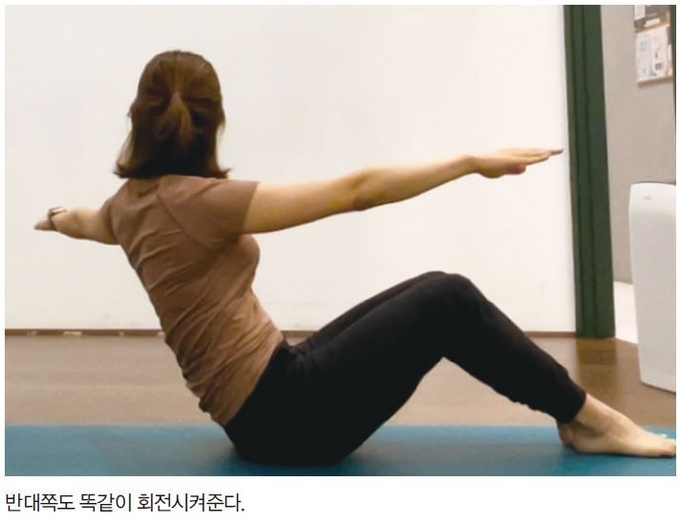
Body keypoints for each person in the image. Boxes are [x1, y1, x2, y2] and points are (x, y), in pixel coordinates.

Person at [35, 50, 675, 466]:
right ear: (213, 123)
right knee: (449, 299)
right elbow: (356, 192)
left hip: (268, 399)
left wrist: (56, 219)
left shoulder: (128, 206)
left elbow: (87, 222)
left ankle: (579, 416)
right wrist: (467, 162)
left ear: (139, 118)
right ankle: (589, 419)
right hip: (287, 422)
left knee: (434, 287)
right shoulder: (204, 203)